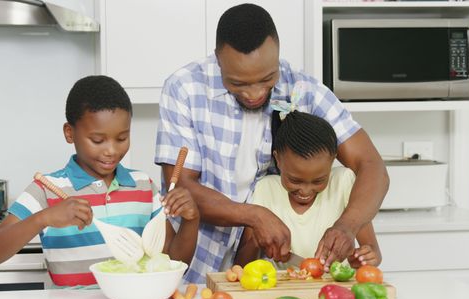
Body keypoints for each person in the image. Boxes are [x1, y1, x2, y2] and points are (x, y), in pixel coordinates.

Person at [154, 3, 388, 283]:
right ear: (218, 58)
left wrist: (346, 226)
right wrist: (253, 215)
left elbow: (372, 165)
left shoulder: (303, 89)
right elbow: (181, 187)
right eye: (238, 83)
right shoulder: (184, 88)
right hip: (193, 262)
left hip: (269, 276)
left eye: (267, 79)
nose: (254, 93)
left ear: (278, 52)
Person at [0, 75, 200, 288]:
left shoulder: (143, 185)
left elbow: (173, 261)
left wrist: (191, 221)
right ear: (69, 133)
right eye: (97, 140)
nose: (111, 150)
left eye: (122, 138)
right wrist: (43, 218)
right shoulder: (46, 190)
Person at [234, 109, 381, 268]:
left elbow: (374, 252)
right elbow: (241, 265)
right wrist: (256, 242)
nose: (305, 191)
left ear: (332, 161)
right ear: (278, 160)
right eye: (295, 180)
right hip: (284, 290)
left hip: (338, 289)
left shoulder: (344, 182)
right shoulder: (265, 190)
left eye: (319, 180)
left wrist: (364, 258)